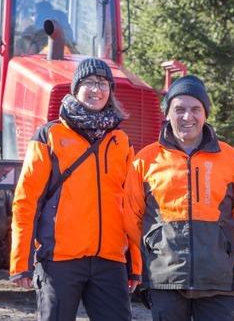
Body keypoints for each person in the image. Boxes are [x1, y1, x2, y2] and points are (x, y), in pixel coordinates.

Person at [10, 57, 141, 321]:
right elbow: (27, 201)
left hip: (110, 261)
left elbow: (132, 207)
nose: (97, 89)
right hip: (59, 261)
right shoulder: (50, 136)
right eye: (89, 82)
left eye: (103, 83)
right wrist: (21, 262)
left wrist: (135, 265)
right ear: (75, 89)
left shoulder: (120, 141)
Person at [124, 75, 234, 321]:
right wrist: (155, 247)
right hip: (165, 278)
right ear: (167, 114)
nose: (187, 117)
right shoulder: (146, 160)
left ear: (205, 113)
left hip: (216, 279)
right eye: (179, 109)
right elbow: (132, 216)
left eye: (195, 109)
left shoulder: (230, 158)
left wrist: (224, 250)